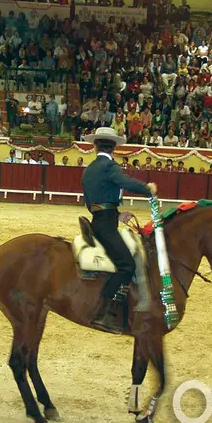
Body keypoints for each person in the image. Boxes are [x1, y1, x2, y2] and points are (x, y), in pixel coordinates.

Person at [81, 127, 157, 333]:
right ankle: (103, 312)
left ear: (95, 146)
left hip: (99, 220)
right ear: (114, 147)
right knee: (127, 265)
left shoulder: (89, 169)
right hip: (106, 225)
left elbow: (92, 203)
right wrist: (147, 189)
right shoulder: (109, 166)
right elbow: (125, 182)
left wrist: (116, 214)